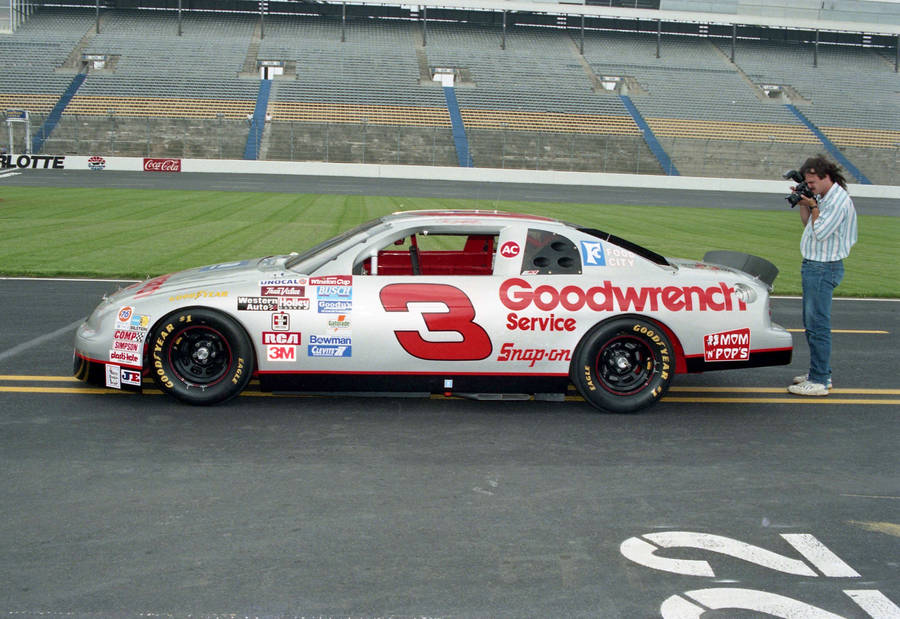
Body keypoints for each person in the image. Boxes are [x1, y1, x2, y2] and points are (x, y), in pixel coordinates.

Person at [788, 155, 858, 396]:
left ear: (826, 177)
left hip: (823, 266)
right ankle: (818, 371)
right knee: (811, 324)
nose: (811, 187)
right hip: (814, 264)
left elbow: (820, 233)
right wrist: (805, 204)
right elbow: (808, 224)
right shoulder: (823, 196)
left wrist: (814, 204)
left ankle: (820, 379)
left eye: (813, 182)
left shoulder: (837, 200)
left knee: (818, 324)